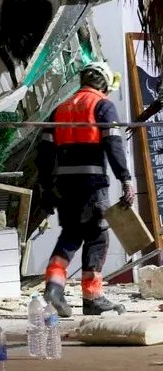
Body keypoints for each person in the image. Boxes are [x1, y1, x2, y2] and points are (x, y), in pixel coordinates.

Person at [37, 61, 135, 317]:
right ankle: (92, 297)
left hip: (64, 186)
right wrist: (125, 178)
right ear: (103, 82)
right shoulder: (102, 105)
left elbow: (45, 154)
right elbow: (113, 144)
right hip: (92, 186)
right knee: (97, 236)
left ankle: (54, 287)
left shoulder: (60, 108)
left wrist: (46, 189)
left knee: (70, 234)